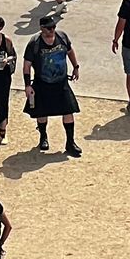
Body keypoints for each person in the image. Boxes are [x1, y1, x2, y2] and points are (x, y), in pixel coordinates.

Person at [22, 11, 81, 155]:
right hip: (42, 82)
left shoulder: (62, 37)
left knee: (68, 110)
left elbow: (70, 51)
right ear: (42, 28)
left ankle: (70, 142)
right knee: (42, 112)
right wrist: (27, 85)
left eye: (53, 27)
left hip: (61, 82)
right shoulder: (34, 43)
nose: (52, 30)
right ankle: (43, 137)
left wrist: (76, 67)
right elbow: (26, 65)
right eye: (49, 28)